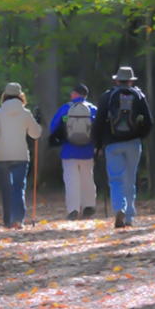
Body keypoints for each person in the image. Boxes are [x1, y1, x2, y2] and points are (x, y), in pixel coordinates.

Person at [92, 67, 153, 228]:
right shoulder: (139, 96)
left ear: (117, 80)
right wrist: (139, 135)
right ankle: (130, 217)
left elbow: (98, 123)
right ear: (131, 81)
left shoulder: (107, 96)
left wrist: (97, 145)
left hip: (112, 144)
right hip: (133, 143)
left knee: (116, 179)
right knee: (130, 179)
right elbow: (149, 122)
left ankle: (119, 208)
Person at [0, 83, 42, 228]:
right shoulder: (25, 113)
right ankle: (17, 219)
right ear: (20, 95)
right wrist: (38, 123)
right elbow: (35, 134)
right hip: (20, 156)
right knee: (18, 188)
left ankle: (7, 220)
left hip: (2, 156)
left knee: (6, 189)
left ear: (5, 95)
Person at [49, 84, 97, 220]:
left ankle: (73, 209)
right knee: (87, 176)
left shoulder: (66, 108)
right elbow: (99, 129)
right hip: (88, 150)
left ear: (74, 94)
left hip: (68, 150)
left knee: (71, 179)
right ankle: (89, 205)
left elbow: (53, 127)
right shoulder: (92, 109)